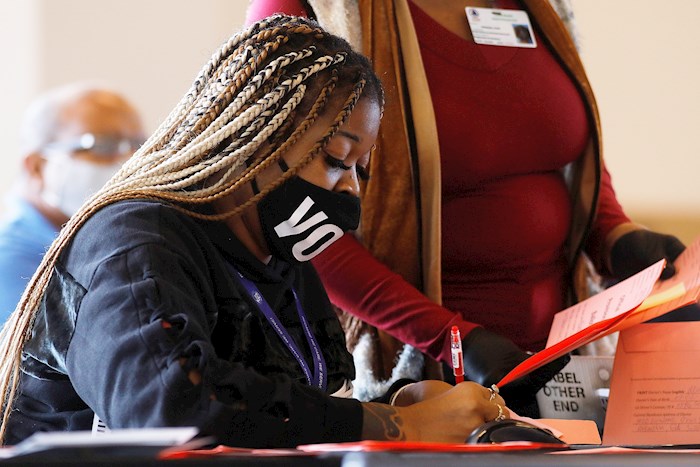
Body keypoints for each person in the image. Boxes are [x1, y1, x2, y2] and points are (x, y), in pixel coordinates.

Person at [0, 15, 509, 447]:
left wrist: (397, 405)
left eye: (362, 169)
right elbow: (169, 408)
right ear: (252, 140)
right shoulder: (136, 242)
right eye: (335, 160)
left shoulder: (277, 253)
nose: (352, 191)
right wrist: (398, 428)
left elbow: (277, 411)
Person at [245, 0, 687, 414]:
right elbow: (299, 222)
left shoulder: (540, 8)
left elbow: (562, 148)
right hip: (411, 381)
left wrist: (614, 233)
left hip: (564, 371)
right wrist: (452, 339)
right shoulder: (309, 9)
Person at [0, 84, 145, 320]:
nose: (128, 162)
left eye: (137, 146)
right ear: (37, 166)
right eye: (103, 146)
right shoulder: (11, 262)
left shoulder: (107, 240)